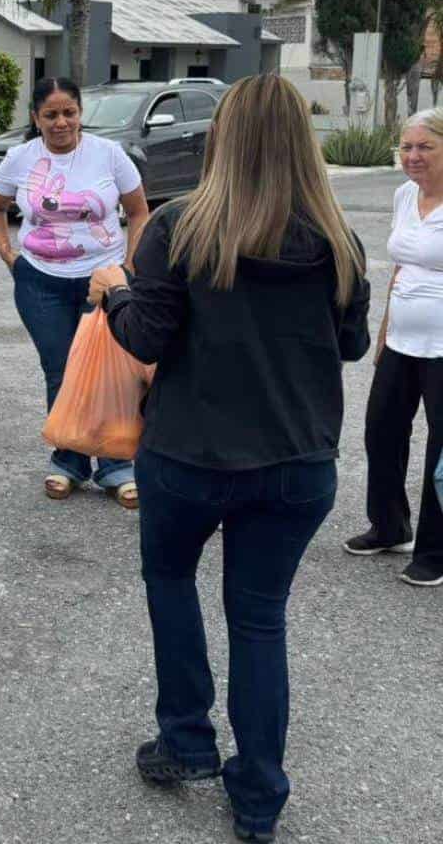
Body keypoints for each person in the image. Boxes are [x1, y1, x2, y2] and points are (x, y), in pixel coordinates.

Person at [87, 74, 370, 843]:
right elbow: (351, 344)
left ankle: (185, 743)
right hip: (297, 461)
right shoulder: (337, 238)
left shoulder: (179, 228)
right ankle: (258, 799)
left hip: (188, 457)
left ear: (224, 137)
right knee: (259, 621)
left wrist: (113, 292)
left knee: (172, 583)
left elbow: (145, 338)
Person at [0, 77, 149, 508]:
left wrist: (127, 269)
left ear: (80, 114)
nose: (61, 122)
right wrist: (10, 255)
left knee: (115, 371)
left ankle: (117, 464)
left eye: (69, 112)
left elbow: (138, 212)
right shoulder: (20, 159)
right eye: (51, 114)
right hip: (40, 281)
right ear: (36, 119)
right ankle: (69, 461)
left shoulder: (109, 154)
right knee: (61, 370)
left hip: (105, 282)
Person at [345, 107, 443, 585]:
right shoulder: (406, 195)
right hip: (403, 340)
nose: (412, 156)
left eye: (425, 146)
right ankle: (389, 526)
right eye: (406, 147)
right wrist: (384, 332)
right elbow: (401, 269)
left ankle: (434, 551)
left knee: (440, 453)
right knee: (381, 430)